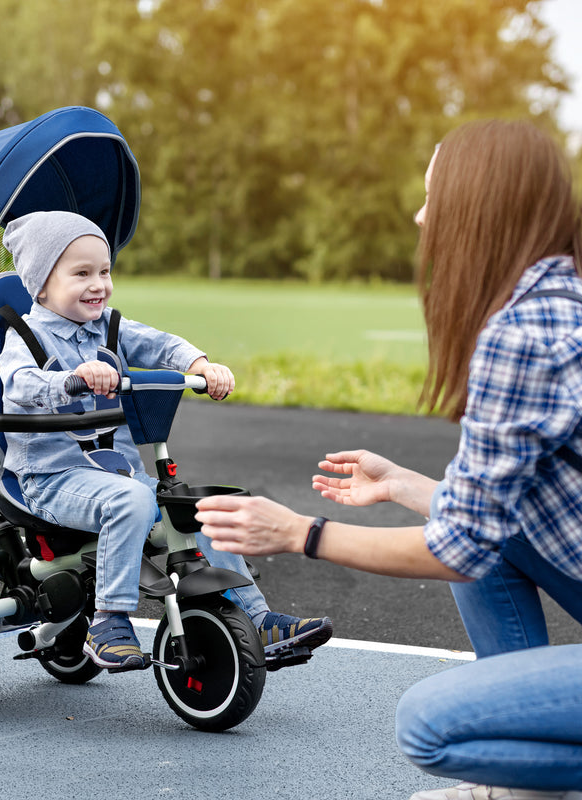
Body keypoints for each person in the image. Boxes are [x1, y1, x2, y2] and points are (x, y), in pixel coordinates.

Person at [195, 120, 582, 798]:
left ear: (478, 210)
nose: (420, 216)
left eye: (434, 197)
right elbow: (488, 517)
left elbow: (458, 548)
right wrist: (406, 485)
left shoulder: (521, 335)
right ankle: (525, 789)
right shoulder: (558, 300)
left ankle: (524, 781)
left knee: (430, 726)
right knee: (488, 533)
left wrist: (300, 534)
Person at [0, 210, 332, 671]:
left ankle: (258, 618)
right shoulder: (26, 337)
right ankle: (110, 617)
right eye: (81, 274)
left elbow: (161, 345)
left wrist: (199, 364)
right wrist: (71, 380)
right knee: (132, 501)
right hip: (51, 477)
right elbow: (18, 385)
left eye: (104, 271)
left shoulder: (109, 328)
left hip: (119, 475)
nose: (98, 284)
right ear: (40, 286)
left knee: (198, 510)